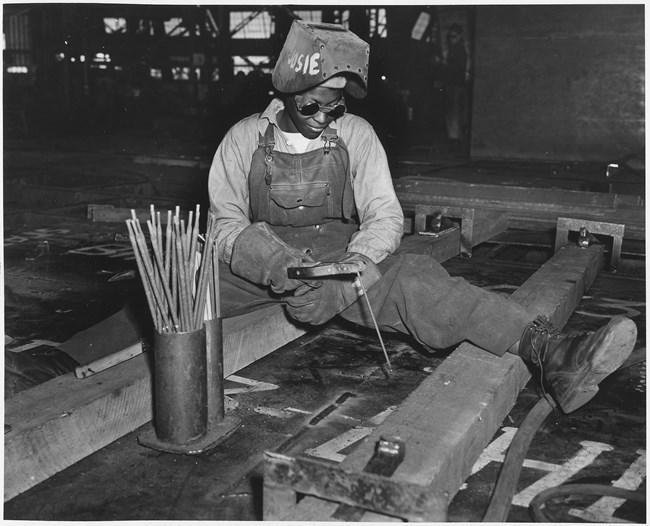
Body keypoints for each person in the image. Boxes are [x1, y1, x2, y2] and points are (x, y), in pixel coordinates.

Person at [208, 20, 636, 414]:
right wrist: (273, 262)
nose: (323, 119)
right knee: (186, 285)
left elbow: (383, 216)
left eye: (334, 108)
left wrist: (347, 273)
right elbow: (224, 224)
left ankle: (555, 354)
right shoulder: (243, 138)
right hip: (261, 261)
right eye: (312, 107)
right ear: (286, 93)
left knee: (416, 279)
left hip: (335, 254)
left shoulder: (356, 134)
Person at [442, 23, 470, 143]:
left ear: (459, 36)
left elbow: (455, 70)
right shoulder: (454, 51)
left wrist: (444, 66)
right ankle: (454, 136)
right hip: (454, 85)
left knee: (454, 112)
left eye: (453, 36)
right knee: (453, 112)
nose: (451, 39)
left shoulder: (459, 52)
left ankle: (454, 137)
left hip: (456, 85)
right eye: (450, 36)